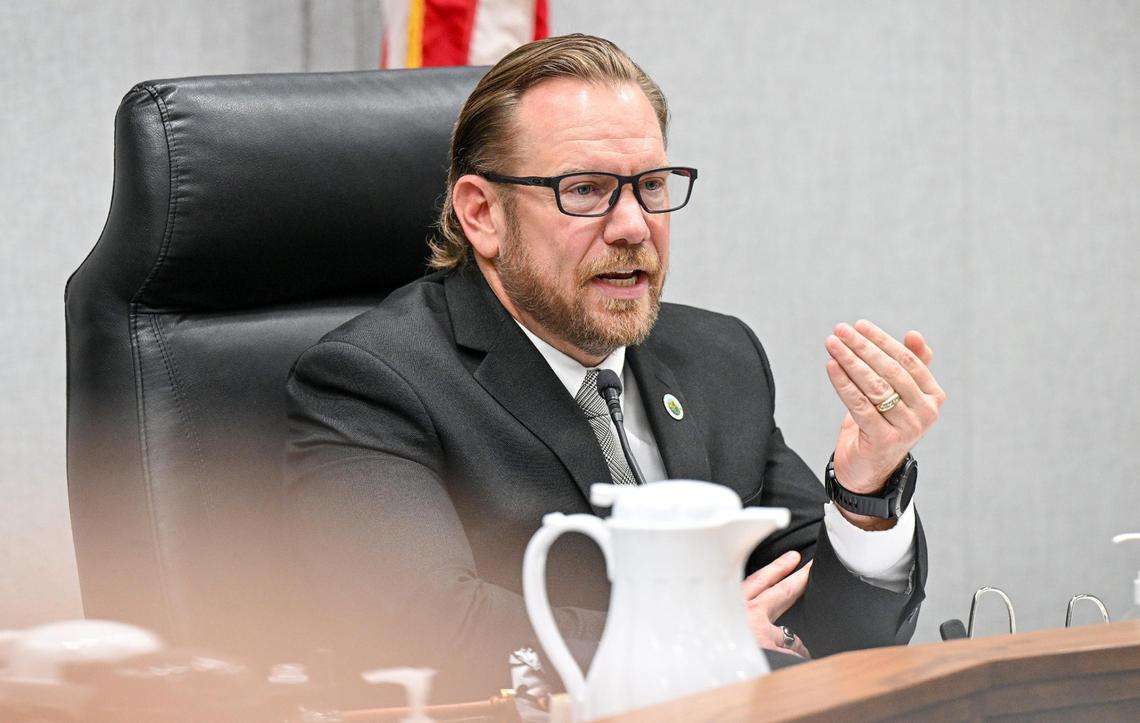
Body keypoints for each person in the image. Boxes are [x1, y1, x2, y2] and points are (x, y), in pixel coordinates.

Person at [284, 34, 944, 703]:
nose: (633, 225)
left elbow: (834, 636)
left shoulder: (719, 358)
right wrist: (691, 641)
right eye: (587, 189)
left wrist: (863, 494)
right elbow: (418, 627)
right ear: (482, 214)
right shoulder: (372, 380)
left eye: (651, 186)